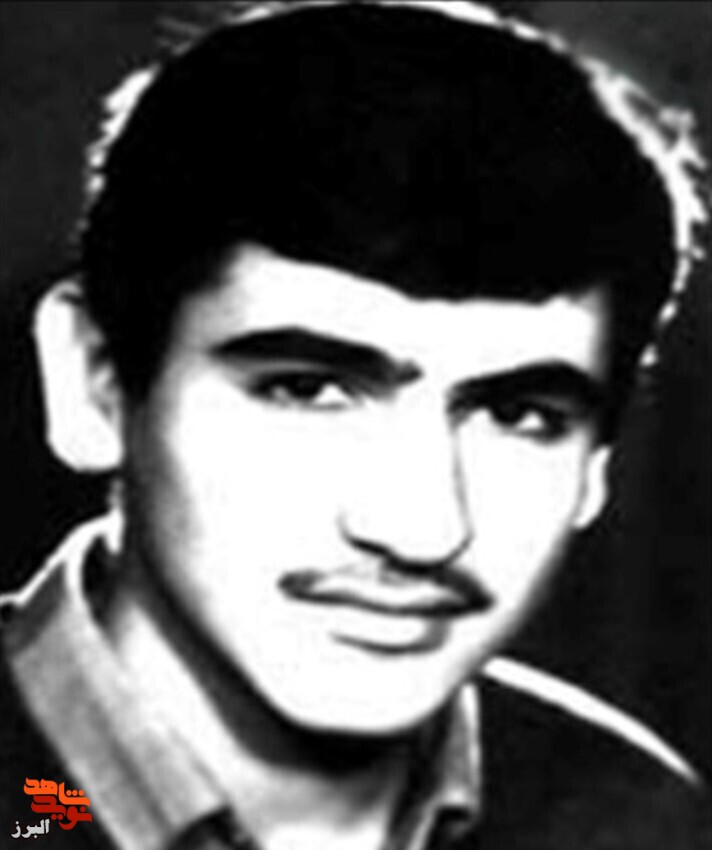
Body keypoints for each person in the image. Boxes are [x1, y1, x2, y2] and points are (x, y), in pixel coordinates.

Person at [0, 1, 710, 847]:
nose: (421, 528)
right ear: (93, 383)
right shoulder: (36, 807)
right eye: (309, 390)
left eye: (519, 415)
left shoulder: (636, 819)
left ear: (597, 464)